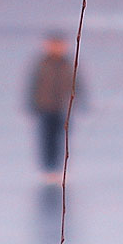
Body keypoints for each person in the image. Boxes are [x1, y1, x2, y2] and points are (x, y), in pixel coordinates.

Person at [24, 33, 81, 183]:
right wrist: (32, 103)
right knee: (46, 138)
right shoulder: (42, 64)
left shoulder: (68, 64)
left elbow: (77, 83)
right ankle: (47, 168)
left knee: (60, 137)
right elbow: (34, 85)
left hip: (62, 107)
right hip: (45, 106)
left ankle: (58, 168)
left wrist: (78, 100)